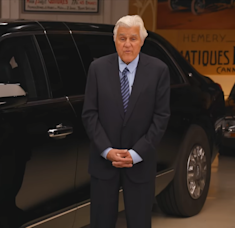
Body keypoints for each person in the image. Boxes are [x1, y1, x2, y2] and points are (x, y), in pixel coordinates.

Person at [82, 15, 171, 228]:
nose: (128, 44)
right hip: (104, 162)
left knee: (140, 222)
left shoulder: (159, 71)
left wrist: (136, 153)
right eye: (122, 38)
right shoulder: (98, 68)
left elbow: (161, 117)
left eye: (133, 38)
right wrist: (106, 150)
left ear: (141, 40)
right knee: (101, 222)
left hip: (140, 163)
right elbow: (89, 113)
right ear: (115, 41)